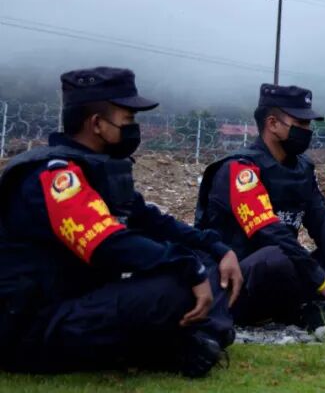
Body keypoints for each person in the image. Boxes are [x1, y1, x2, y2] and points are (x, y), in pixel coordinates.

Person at [0, 67, 236, 378]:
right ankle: (178, 344)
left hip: (81, 301)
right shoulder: (54, 175)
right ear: (97, 123)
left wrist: (218, 249)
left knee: (206, 262)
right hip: (34, 323)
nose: (134, 128)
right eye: (128, 119)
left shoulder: (99, 170)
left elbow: (152, 221)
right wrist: (187, 267)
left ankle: (201, 337)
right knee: (176, 284)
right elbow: (108, 243)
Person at [195, 83, 325, 331]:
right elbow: (269, 232)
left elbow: (324, 219)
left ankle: (321, 303)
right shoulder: (239, 169)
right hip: (238, 276)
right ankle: (312, 305)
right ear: (273, 124)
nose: (307, 130)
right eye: (301, 123)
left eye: (308, 124)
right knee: (275, 257)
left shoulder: (302, 168)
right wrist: (322, 281)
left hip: (288, 264)